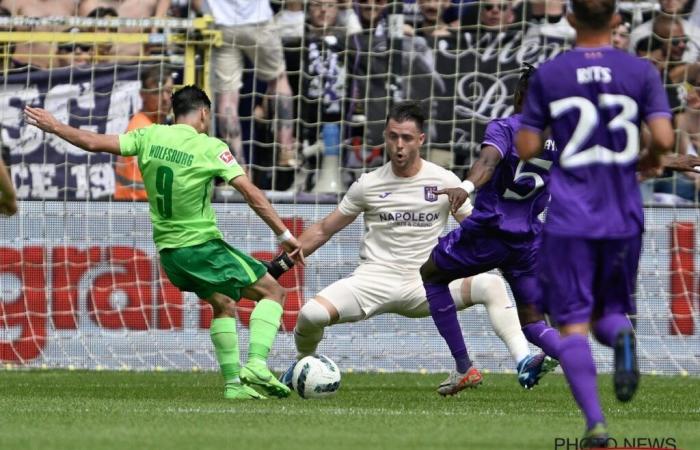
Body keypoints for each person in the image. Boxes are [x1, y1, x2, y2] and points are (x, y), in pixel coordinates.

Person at [24, 85, 304, 401]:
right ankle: (255, 364)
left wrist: (55, 125)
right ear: (204, 113)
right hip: (201, 247)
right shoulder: (210, 147)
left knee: (223, 304)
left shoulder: (149, 136)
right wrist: (284, 235)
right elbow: (251, 194)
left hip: (171, 256)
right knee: (273, 292)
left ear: (174, 112)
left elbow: (91, 142)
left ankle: (233, 385)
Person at [267, 101, 551, 394]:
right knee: (311, 315)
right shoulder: (369, 183)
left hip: (424, 285)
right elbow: (325, 229)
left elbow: (474, 224)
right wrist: (280, 265)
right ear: (385, 137)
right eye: (392, 136)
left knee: (491, 285)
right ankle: (303, 365)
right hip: (373, 281)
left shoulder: (444, 180)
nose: (398, 145)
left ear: (421, 140)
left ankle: (523, 360)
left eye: (406, 138)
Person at [515, 0, 675, 444]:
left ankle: (596, 424)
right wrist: (649, 160)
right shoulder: (640, 72)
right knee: (611, 312)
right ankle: (623, 339)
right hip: (623, 214)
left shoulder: (551, 74)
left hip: (570, 216)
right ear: (617, 20)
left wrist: (551, 128)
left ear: (569, 19)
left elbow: (527, 146)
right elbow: (663, 138)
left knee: (571, 323)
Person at [418, 64, 562, 397]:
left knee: (432, 274)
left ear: (521, 94)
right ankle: (568, 351)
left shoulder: (507, 128)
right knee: (532, 321)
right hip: (528, 238)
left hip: (489, 231)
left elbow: (488, 162)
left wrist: (465, 185)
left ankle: (463, 366)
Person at [201, 0, 297, 168]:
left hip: (222, 25)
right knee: (278, 79)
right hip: (259, 20)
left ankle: (238, 167)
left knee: (226, 97)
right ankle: (286, 150)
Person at [115, 65, 174, 201]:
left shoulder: (156, 125)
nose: (165, 98)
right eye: (157, 92)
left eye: (168, 91)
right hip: (137, 209)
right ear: (143, 95)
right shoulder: (142, 129)